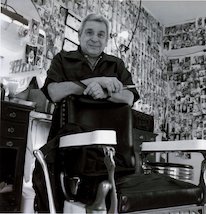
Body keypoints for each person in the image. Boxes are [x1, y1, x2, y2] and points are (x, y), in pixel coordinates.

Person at [33, 14, 139, 212]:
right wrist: (94, 81)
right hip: (68, 143)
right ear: (79, 35)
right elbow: (54, 92)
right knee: (55, 198)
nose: (95, 38)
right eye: (89, 32)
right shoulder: (63, 59)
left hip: (111, 147)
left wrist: (106, 92)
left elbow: (129, 98)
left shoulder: (116, 65)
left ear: (106, 39)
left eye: (101, 34)